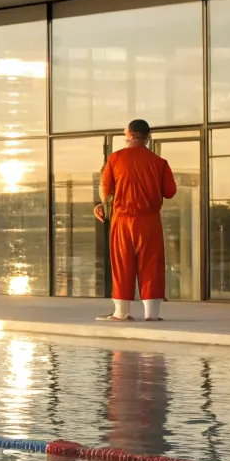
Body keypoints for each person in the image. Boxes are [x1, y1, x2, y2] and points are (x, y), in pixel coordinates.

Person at [93, 118, 177, 321]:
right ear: (147, 137)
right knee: (152, 264)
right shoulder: (159, 163)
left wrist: (103, 208)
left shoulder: (115, 159)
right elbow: (170, 192)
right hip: (150, 221)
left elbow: (106, 189)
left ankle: (121, 312)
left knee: (122, 263)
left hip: (122, 219)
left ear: (129, 134)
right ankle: (151, 315)